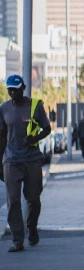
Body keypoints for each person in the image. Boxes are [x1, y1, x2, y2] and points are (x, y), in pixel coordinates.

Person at [0, 75, 51, 252]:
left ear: (23, 88)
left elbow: (47, 128)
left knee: (34, 200)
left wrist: (34, 138)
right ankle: (17, 241)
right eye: (9, 89)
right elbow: (1, 136)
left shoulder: (35, 106)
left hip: (32, 159)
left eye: (15, 89)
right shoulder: (4, 108)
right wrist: (0, 163)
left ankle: (32, 227)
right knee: (13, 202)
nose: (12, 92)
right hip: (11, 161)